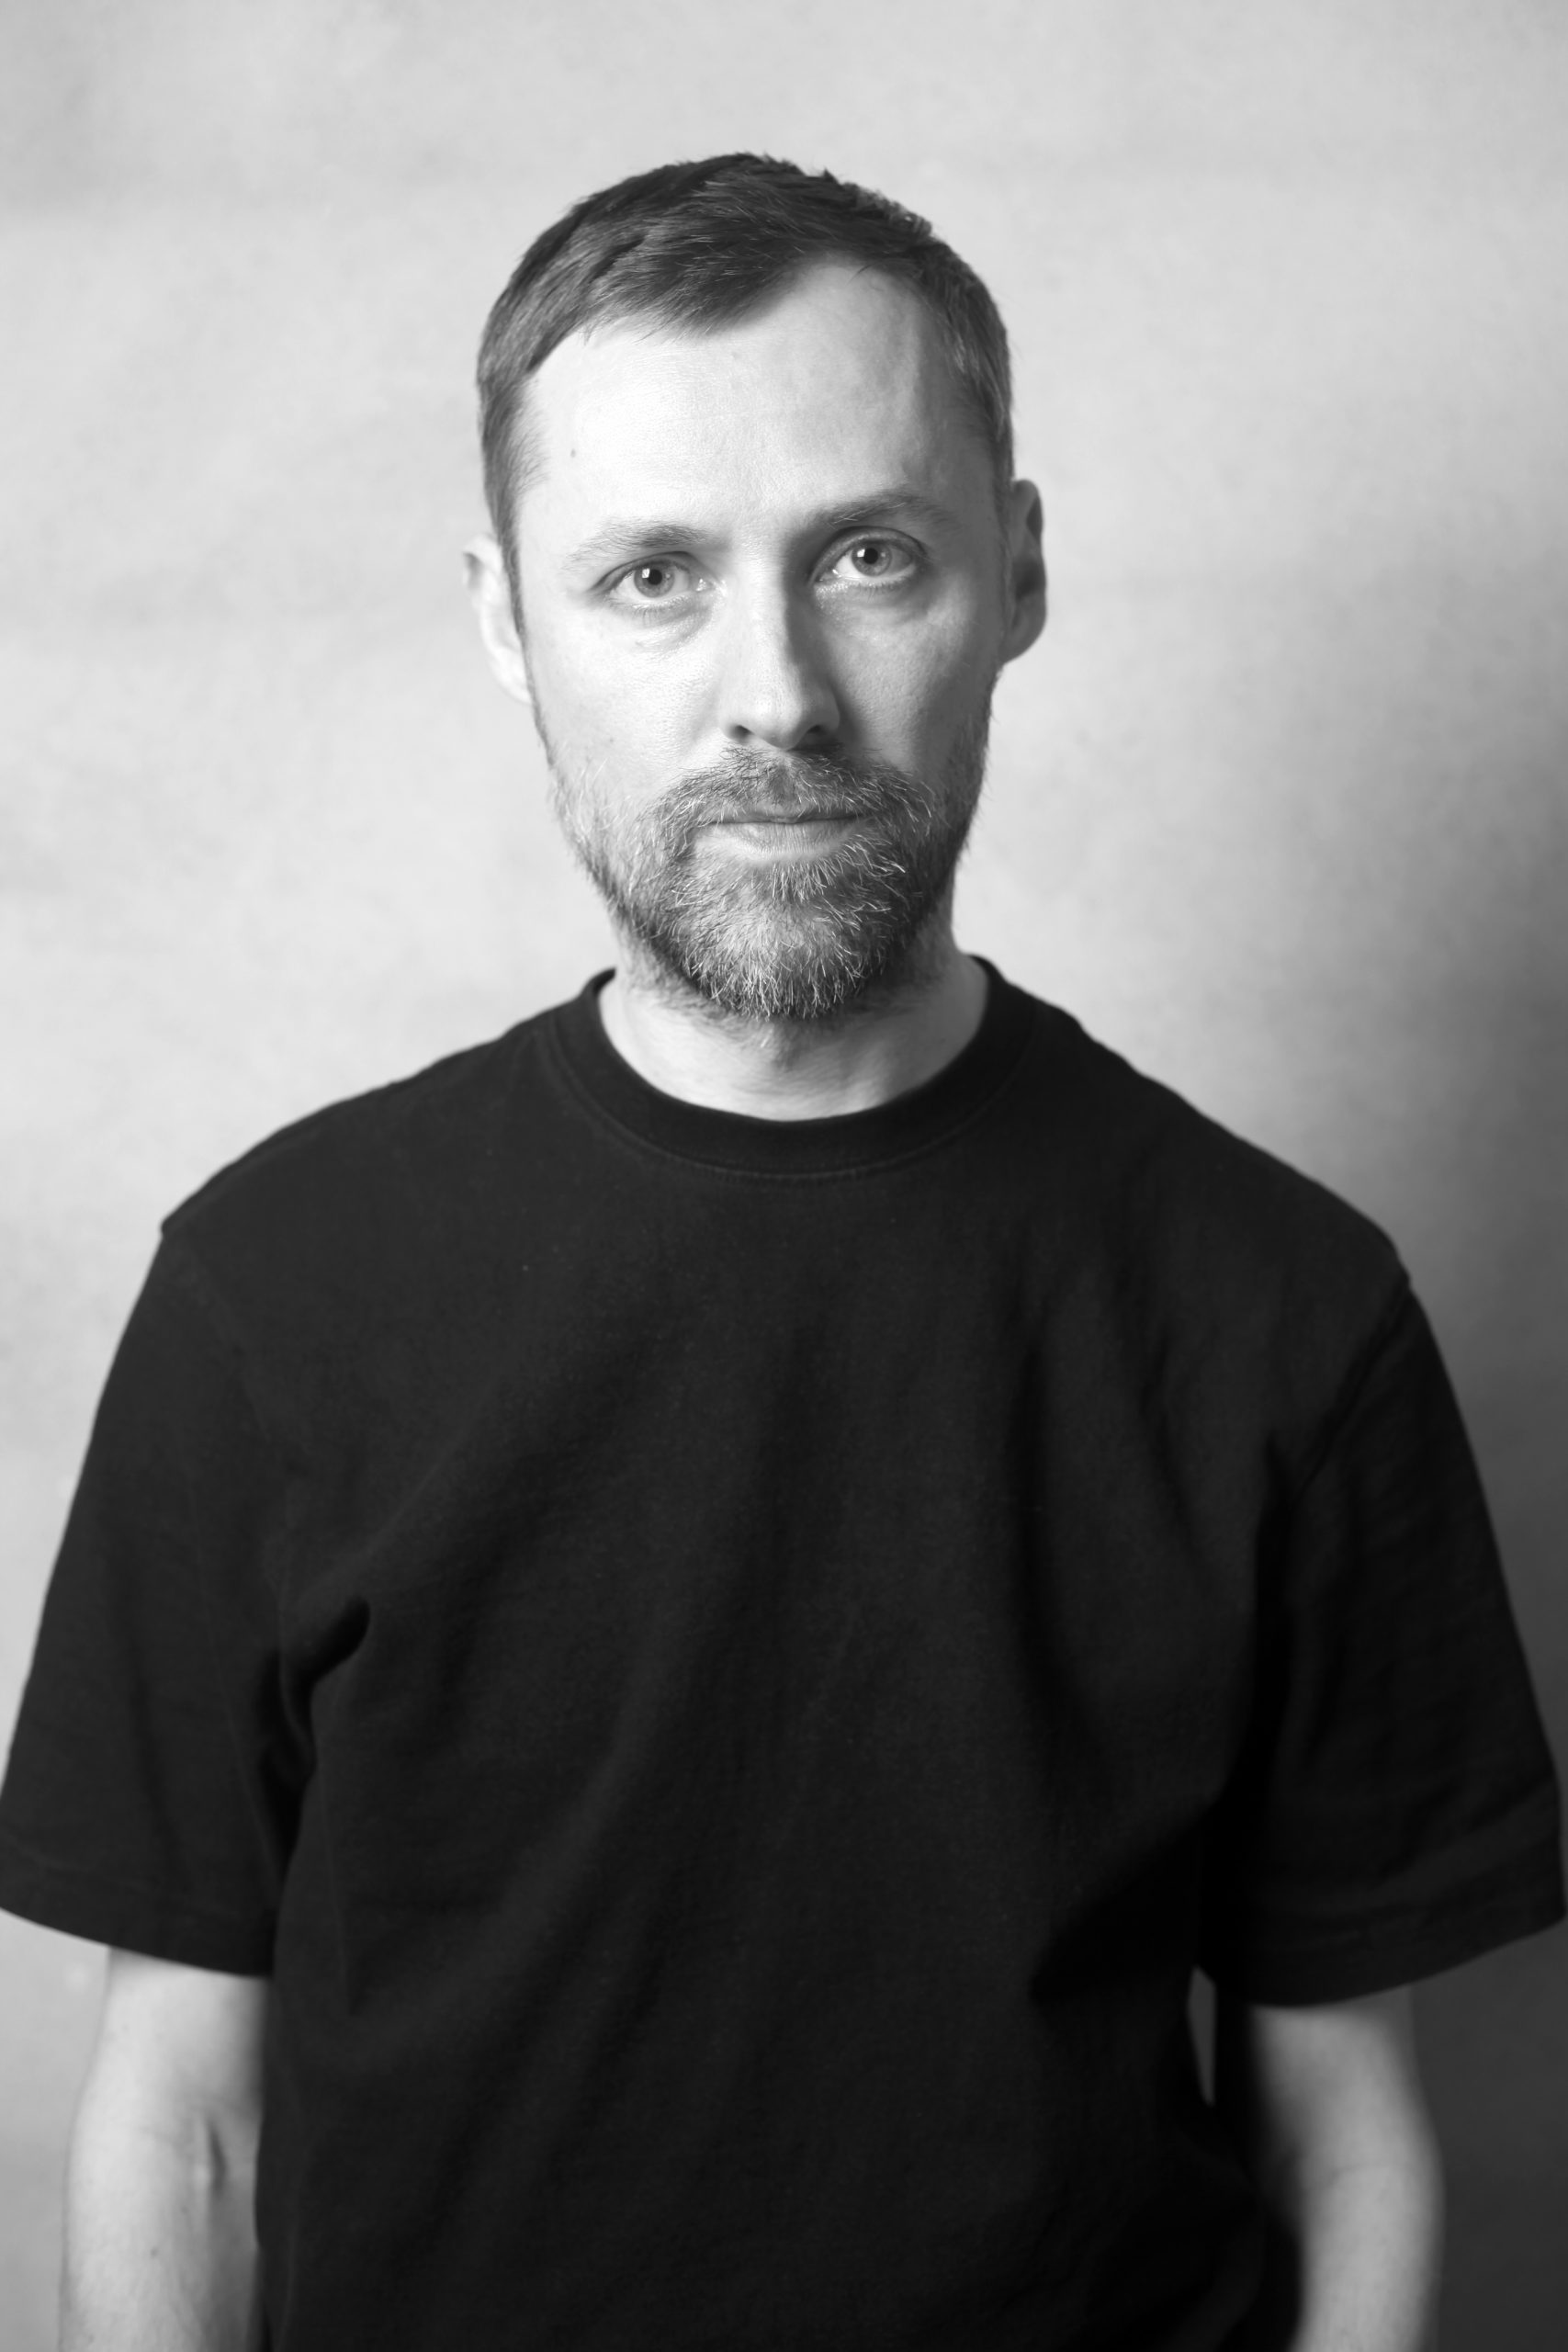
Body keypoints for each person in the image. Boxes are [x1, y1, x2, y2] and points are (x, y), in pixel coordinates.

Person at [0, 153, 1561, 2352]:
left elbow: (1344, 2138)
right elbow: (186, 2123)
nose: (778, 695)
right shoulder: (269, 1295)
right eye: (650, 574)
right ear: (504, 619)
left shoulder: (1283, 1314)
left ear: (1015, 571)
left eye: (866, 554)